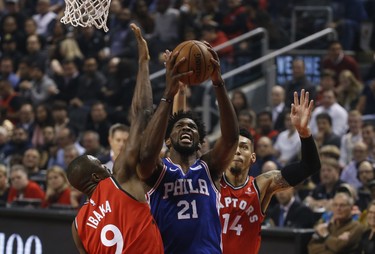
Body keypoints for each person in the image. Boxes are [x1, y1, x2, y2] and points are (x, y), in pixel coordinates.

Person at [68, 24, 164, 254]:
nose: (107, 168)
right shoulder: (118, 178)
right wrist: (143, 62)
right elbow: (143, 113)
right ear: (95, 175)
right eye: (102, 166)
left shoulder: (77, 225)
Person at [139, 43, 239, 253]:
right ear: (167, 140)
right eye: (179, 126)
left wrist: (218, 83)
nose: (186, 129)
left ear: (201, 142)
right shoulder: (158, 171)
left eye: (192, 127)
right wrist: (169, 93)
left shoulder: (209, 168)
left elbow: (230, 139)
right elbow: (147, 153)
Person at [220, 89, 321, 254]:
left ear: (253, 157)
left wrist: (304, 133)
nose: (237, 151)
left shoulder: (262, 185)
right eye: (233, 147)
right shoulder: (211, 182)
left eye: (244, 147)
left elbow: (310, 166)